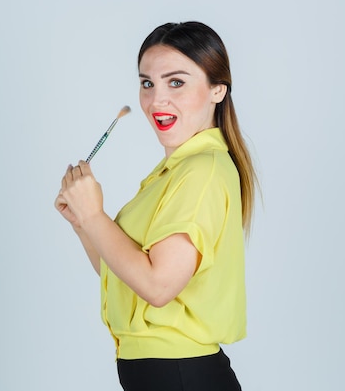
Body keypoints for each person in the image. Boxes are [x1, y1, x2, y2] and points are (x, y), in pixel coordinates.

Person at [54, 21, 257, 391]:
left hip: (179, 372)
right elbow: (127, 277)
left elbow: (159, 286)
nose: (156, 99)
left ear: (217, 90)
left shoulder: (202, 171)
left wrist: (97, 216)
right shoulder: (175, 171)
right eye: (147, 83)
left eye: (176, 82)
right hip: (162, 372)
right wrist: (84, 224)